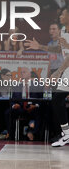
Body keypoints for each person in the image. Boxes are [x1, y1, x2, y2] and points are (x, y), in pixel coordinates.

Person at [25, 8, 69, 146]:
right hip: (67, 70)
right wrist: (40, 46)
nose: (60, 16)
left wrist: (59, 71)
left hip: (65, 69)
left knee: (57, 99)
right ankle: (67, 134)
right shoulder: (63, 32)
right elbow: (59, 50)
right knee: (57, 100)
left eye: (63, 14)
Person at [5, 68, 42, 141]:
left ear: (29, 74)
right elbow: (12, 100)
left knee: (41, 112)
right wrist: (14, 105)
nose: (22, 73)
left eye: (24, 72)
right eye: (21, 72)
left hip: (33, 108)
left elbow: (41, 99)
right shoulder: (17, 86)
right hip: (20, 108)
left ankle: (33, 133)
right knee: (8, 113)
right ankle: (10, 134)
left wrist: (35, 105)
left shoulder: (37, 85)